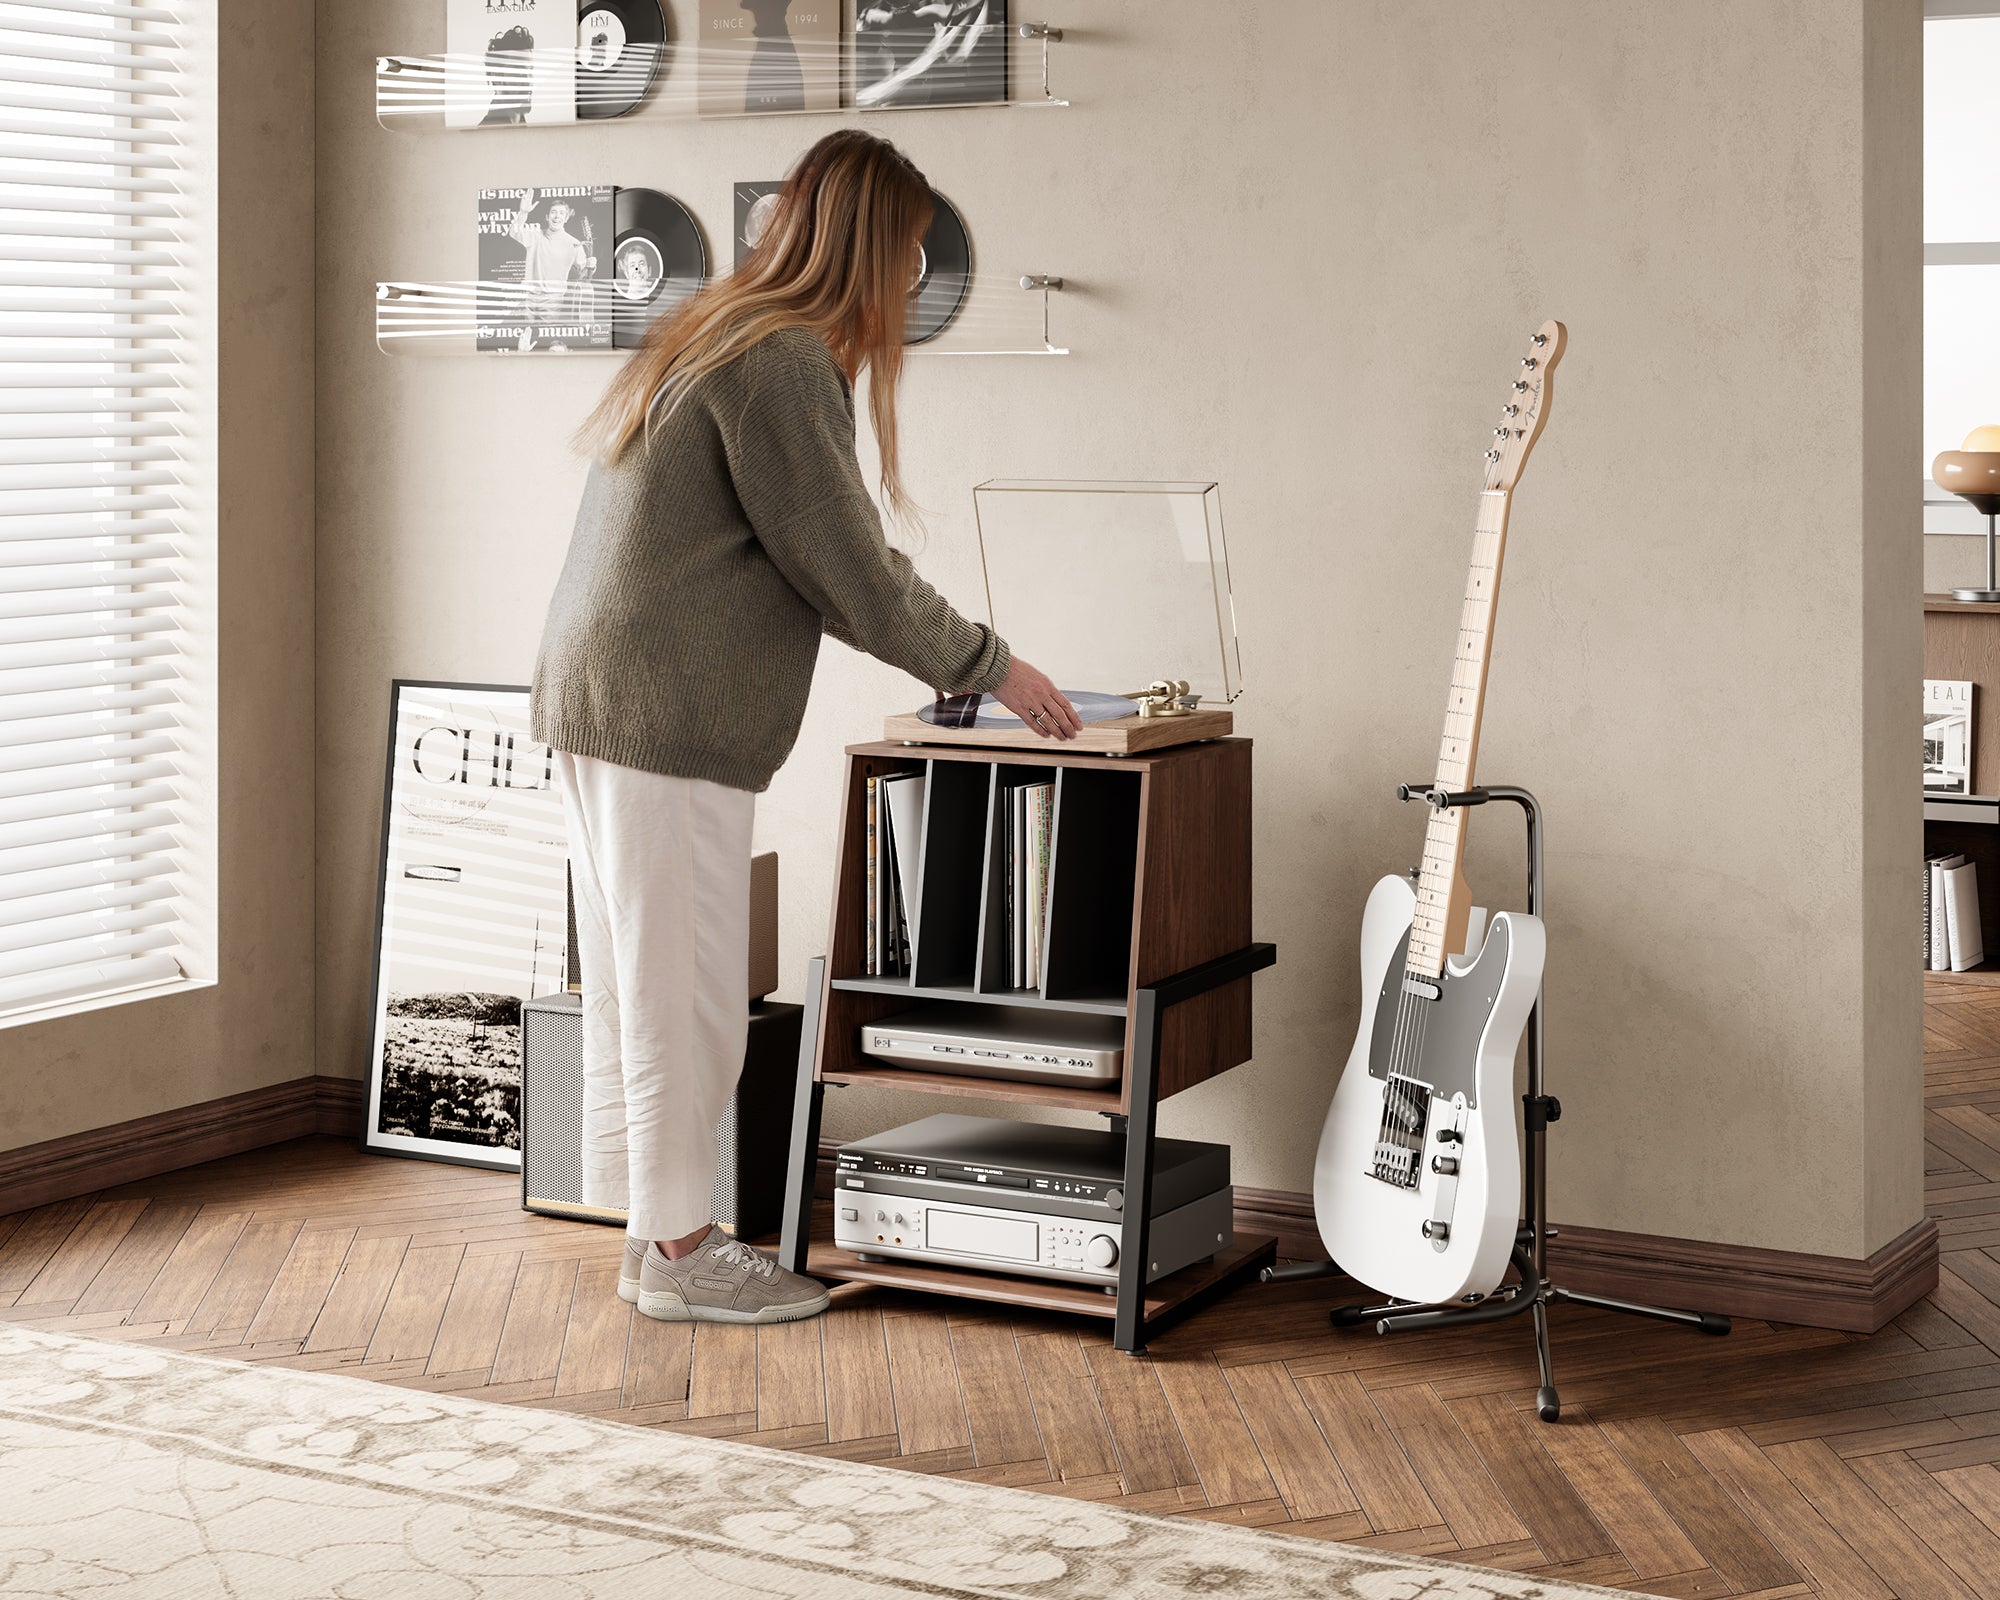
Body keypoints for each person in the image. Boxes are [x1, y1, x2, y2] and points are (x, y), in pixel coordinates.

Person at [531, 129, 1080, 1326]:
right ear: (867, 250)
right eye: (910, 260)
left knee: (644, 987)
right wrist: (995, 667)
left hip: (603, 697)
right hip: (659, 711)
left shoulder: (722, 329)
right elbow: (846, 570)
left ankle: (653, 1241)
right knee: (686, 991)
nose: (910, 289)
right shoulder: (780, 362)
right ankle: (682, 1255)